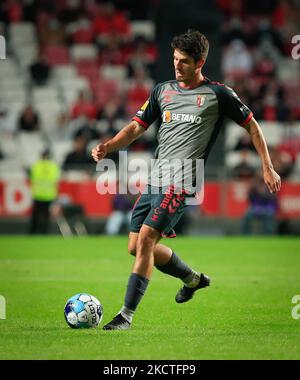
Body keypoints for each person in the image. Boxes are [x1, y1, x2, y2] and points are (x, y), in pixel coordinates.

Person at [91, 30, 281, 330]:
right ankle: (192, 279)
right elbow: (135, 128)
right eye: (175, 59)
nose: (177, 65)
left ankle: (125, 316)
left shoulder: (219, 95)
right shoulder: (162, 91)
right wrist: (108, 146)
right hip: (156, 179)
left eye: (184, 61)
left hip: (183, 181)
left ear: (200, 62)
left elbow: (252, 126)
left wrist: (267, 167)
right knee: (135, 246)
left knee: (146, 240)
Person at [29, 149, 60, 234]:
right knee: (46, 216)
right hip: (48, 195)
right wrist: (56, 196)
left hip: (38, 194)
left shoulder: (36, 166)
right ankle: (44, 232)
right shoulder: (53, 166)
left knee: (35, 216)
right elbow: (55, 181)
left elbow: (32, 179)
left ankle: (33, 232)